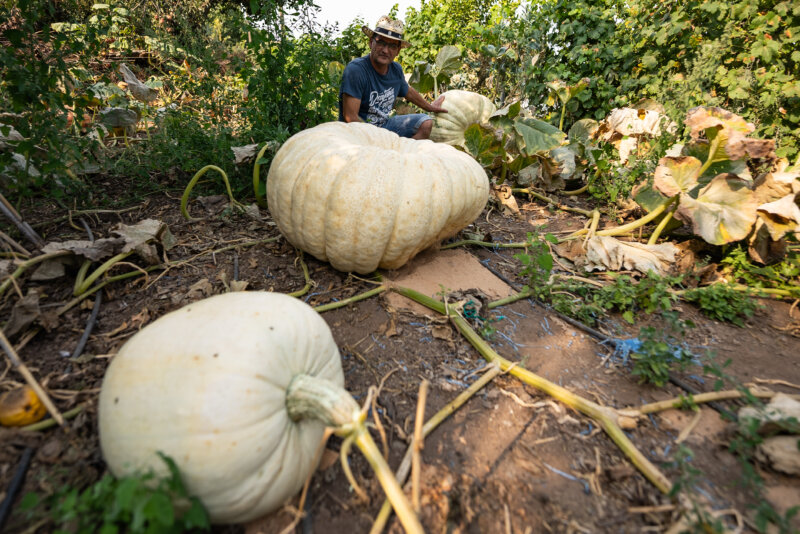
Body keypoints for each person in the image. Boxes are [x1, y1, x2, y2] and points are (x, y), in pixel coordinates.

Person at [339, 16, 447, 140]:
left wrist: (430, 107)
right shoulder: (356, 70)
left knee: (426, 123)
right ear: (371, 42)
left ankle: (402, 154)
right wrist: (375, 142)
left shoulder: (396, 69)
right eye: (381, 43)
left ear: (398, 50)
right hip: (358, 132)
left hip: (384, 126)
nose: (386, 50)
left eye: (392, 46)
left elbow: (408, 91)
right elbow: (350, 118)